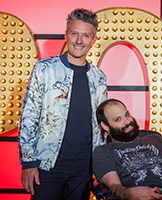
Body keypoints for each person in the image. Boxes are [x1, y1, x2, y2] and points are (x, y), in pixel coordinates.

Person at [18, 8, 107, 200]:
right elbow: (29, 116)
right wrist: (28, 163)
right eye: (74, 33)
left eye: (85, 35)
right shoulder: (44, 69)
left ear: (93, 39)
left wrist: (102, 166)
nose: (79, 41)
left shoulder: (98, 77)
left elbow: (102, 125)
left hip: (84, 170)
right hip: (46, 166)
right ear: (66, 34)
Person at [93, 99, 162, 200]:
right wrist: (131, 194)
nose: (127, 121)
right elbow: (115, 187)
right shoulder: (103, 152)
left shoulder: (156, 138)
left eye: (127, 114)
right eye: (118, 119)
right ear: (105, 126)